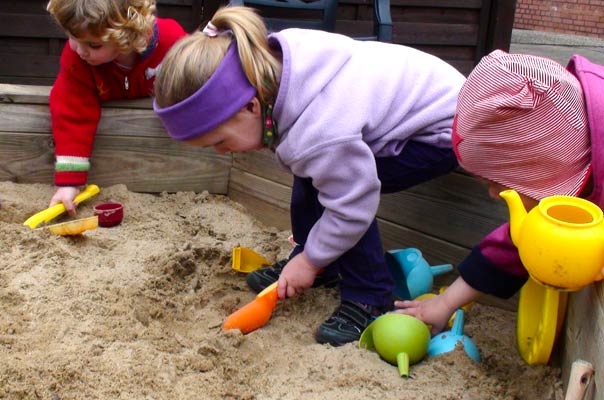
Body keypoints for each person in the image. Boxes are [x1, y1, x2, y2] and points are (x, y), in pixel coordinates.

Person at [152, 6, 465, 346]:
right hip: (398, 116)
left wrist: (310, 259)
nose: (221, 153)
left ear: (251, 107)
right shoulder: (271, 67)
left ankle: (369, 296)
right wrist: (312, 257)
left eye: (220, 142)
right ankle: (325, 264)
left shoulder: (321, 128)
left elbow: (351, 204)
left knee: (341, 194)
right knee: (319, 173)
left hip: (445, 133)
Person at [395, 49, 604, 334]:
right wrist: (445, 303)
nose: (494, 194)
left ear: (542, 173)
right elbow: (518, 240)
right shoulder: (572, 139)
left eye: (501, 184)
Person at [46, 0, 187, 214]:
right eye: (73, 37)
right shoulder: (77, 58)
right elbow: (71, 110)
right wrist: (69, 183)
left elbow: (196, 80)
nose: (80, 50)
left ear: (127, 37)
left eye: (93, 45)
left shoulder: (172, 43)